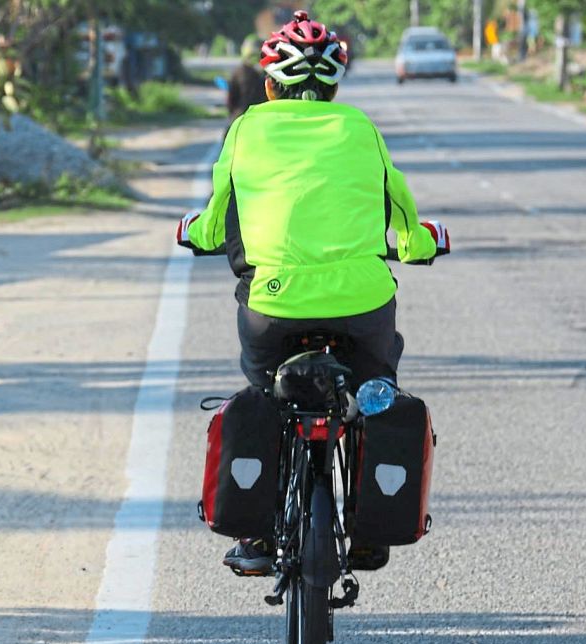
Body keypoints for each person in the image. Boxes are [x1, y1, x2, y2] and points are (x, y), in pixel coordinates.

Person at [174, 10, 451, 575]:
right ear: (333, 85)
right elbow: (402, 212)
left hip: (272, 304)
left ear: (269, 84)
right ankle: (370, 534)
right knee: (375, 392)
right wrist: (421, 245)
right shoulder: (361, 128)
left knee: (263, 391)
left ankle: (254, 537)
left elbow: (215, 217)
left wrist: (193, 233)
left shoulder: (246, 128)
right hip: (363, 302)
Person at [226, 35, 268, 121]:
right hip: (262, 118)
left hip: (241, 118)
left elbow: (231, 102)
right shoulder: (269, 73)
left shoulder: (238, 72)